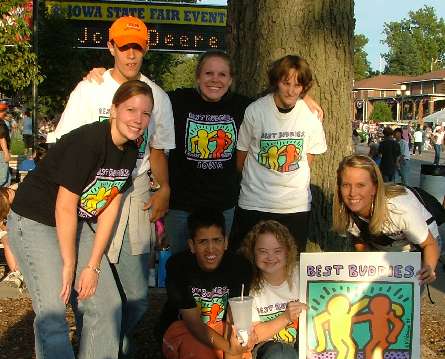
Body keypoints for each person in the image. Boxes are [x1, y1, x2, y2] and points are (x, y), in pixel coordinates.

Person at [7, 80, 154, 359]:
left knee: (106, 302)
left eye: (145, 113)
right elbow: (64, 204)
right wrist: (71, 265)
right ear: (116, 109)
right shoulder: (90, 141)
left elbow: (110, 203)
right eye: (132, 110)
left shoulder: (132, 149)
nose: (138, 119)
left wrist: (92, 264)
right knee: (54, 311)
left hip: (81, 219)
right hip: (37, 220)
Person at [54, 15, 175, 359]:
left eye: (137, 47)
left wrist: (165, 189)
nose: (131, 54)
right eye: (124, 47)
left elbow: (157, 150)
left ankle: (117, 351)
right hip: (89, 192)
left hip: (134, 190)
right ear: (111, 48)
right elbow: (63, 144)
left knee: (137, 296)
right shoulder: (89, 90)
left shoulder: (159, 96)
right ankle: (94, 353)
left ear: (146, 49)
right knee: (91, 284)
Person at [165, 50, 323, 254]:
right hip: (182, 205)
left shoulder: (244, 107)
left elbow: (280, 97)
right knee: (181, 265)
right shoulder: (177, 101)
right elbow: (146, 94)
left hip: (225, 205)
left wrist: (304, 97)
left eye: (222, 74)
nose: (215, 80)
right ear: (198, 76)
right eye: (208, 73)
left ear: (231, 80)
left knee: (223, 266)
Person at [157, 209, 252, 359]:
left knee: (243, 341)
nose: (211, 249)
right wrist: (228, 348)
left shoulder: (239, 267)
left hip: (221, 325)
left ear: (226, 242)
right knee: (201, 355)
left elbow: (234, 321)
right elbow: (193, 323)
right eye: (203, 242)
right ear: (191, 245)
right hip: (185, 329)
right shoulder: (178, 266)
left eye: (217, 240)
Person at [235, 55, 327, 252]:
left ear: (304, 87)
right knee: (251, 265)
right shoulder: (255, 111)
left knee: (290, 267)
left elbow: (307, 161)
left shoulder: (311, 116)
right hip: (254, 203)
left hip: (294, 207)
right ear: (277, 81)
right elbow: (241, 158)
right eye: (286, 83)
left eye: (297, 85)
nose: (291, 90)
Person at [236, 220, 305, 359]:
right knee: (281, 355)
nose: (271, 257)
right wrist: (285, 317)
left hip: (304, 346)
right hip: (268, 352)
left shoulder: (302, 273)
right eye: (263, 251)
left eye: (277, 250)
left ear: (288, 251)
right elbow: (254, 336)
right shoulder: (250, 287)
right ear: (252, 253)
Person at [333, 154, 440, 285]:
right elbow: (358, 237)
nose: (352, 193)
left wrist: (428, 268)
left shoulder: (399, 208)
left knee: (407, 293)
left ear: (374, 187)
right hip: (385, 245)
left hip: (422, 244)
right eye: (346, 185)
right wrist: (366, 263)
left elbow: (429, 244)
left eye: (360, 185)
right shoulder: (342, 211)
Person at [0, 186, 24, 288]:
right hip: (7, 232)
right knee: (8, 241)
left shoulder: (20, 199)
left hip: (17, 231)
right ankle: (16, 272)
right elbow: (3, 225)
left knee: (13, 240)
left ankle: (19, 272)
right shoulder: (4, 206)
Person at [0, 102, 11, 187]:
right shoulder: (0, 123)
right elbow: (1, 138)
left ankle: (5, 198)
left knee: (7, 178)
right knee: (3, 178)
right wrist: (6, 153)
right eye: (4, 111)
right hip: (1, 152)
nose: (5, 113)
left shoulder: (2, 121)